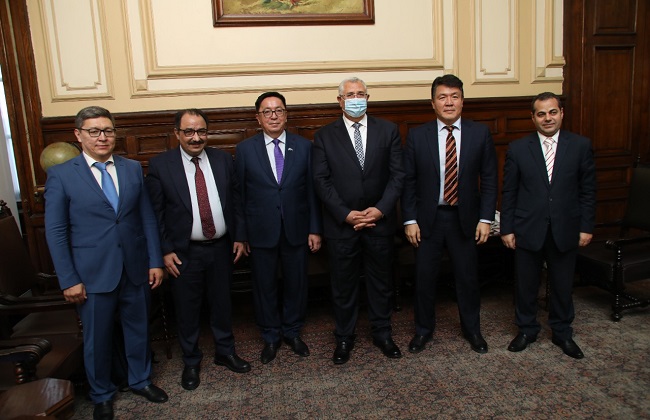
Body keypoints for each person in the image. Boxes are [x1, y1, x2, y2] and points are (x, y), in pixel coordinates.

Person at [44, 106, 168, 420]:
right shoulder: (62, 174)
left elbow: (146, 218)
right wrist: (68, 279)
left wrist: (155, 261)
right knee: (97, 339)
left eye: (108, 131)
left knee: (138, 329)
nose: (102, 137)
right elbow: (56, 231)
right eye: (94, 131)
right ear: (78, 135)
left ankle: (140, 380)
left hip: (135, 267)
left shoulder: (131, 168)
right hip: (91, 274)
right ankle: (101, 394)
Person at [145, 109, 251, 392]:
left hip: (221, 248)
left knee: (222, 303)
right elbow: (155, 214)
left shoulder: (222, 159)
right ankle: (191, 361)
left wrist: (240, 236)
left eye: (201, 131)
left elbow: (236, 202)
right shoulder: (161, 165)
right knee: (187, 309)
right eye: (189, 131)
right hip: (183, 252)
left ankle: (225, 351)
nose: (196, 137)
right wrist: (165, 250)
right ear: (177, 133)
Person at [401, 74, 498, 354]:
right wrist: (409, 219)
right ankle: (423, 331)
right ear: (433, 103)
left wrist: (485, 219)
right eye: (442, 97)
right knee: (424, 279)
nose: (449, 102)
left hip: (464, 219)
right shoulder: (418, 136)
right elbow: (408, 181)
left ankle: (472, 331)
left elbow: (489, 179)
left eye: (454, 96)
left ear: (463, 101)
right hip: (427, 220)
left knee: (467, 279)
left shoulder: (480, 133)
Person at [312, 77, 405, 364]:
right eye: (350, 95)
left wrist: (380, 209)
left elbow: (397, 175)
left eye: (360, 94)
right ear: (339, 101)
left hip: (379, 222)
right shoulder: (324, 136)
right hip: (342, 225)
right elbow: (321, 180)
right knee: (343, 285)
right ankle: (344, 337)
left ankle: (382, 333)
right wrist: (346, 214)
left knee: (381, 282)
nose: (355, 99)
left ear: (368, 97)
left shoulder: (388, 130)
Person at [501, 92, 596, 359]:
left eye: (552, 112)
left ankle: (562, 332)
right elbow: (509, 192)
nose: (548, 118)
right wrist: (507, 228)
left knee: (563, 285)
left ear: (561, 113)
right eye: (541, 114)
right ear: (533, 118)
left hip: (566, 228)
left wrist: (586, 227)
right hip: (527, 228)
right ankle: (526, 330)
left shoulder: (580, 146)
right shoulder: (518, 148)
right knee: (526, 285)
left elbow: (588, 191)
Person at [233, 92, 322, 364]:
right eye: (267, 111)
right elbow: (239, 196)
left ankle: (293, 331)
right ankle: (270, 335)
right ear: (258, 118)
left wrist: (315, 229)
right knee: (264, 286)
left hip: (296, 228)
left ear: (286, 114)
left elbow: (312, 192)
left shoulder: (304, 146)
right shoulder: (245, 150)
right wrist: (241, 235)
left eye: (279, 110)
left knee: (297, 283)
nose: (274, 116)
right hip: (260, 231)